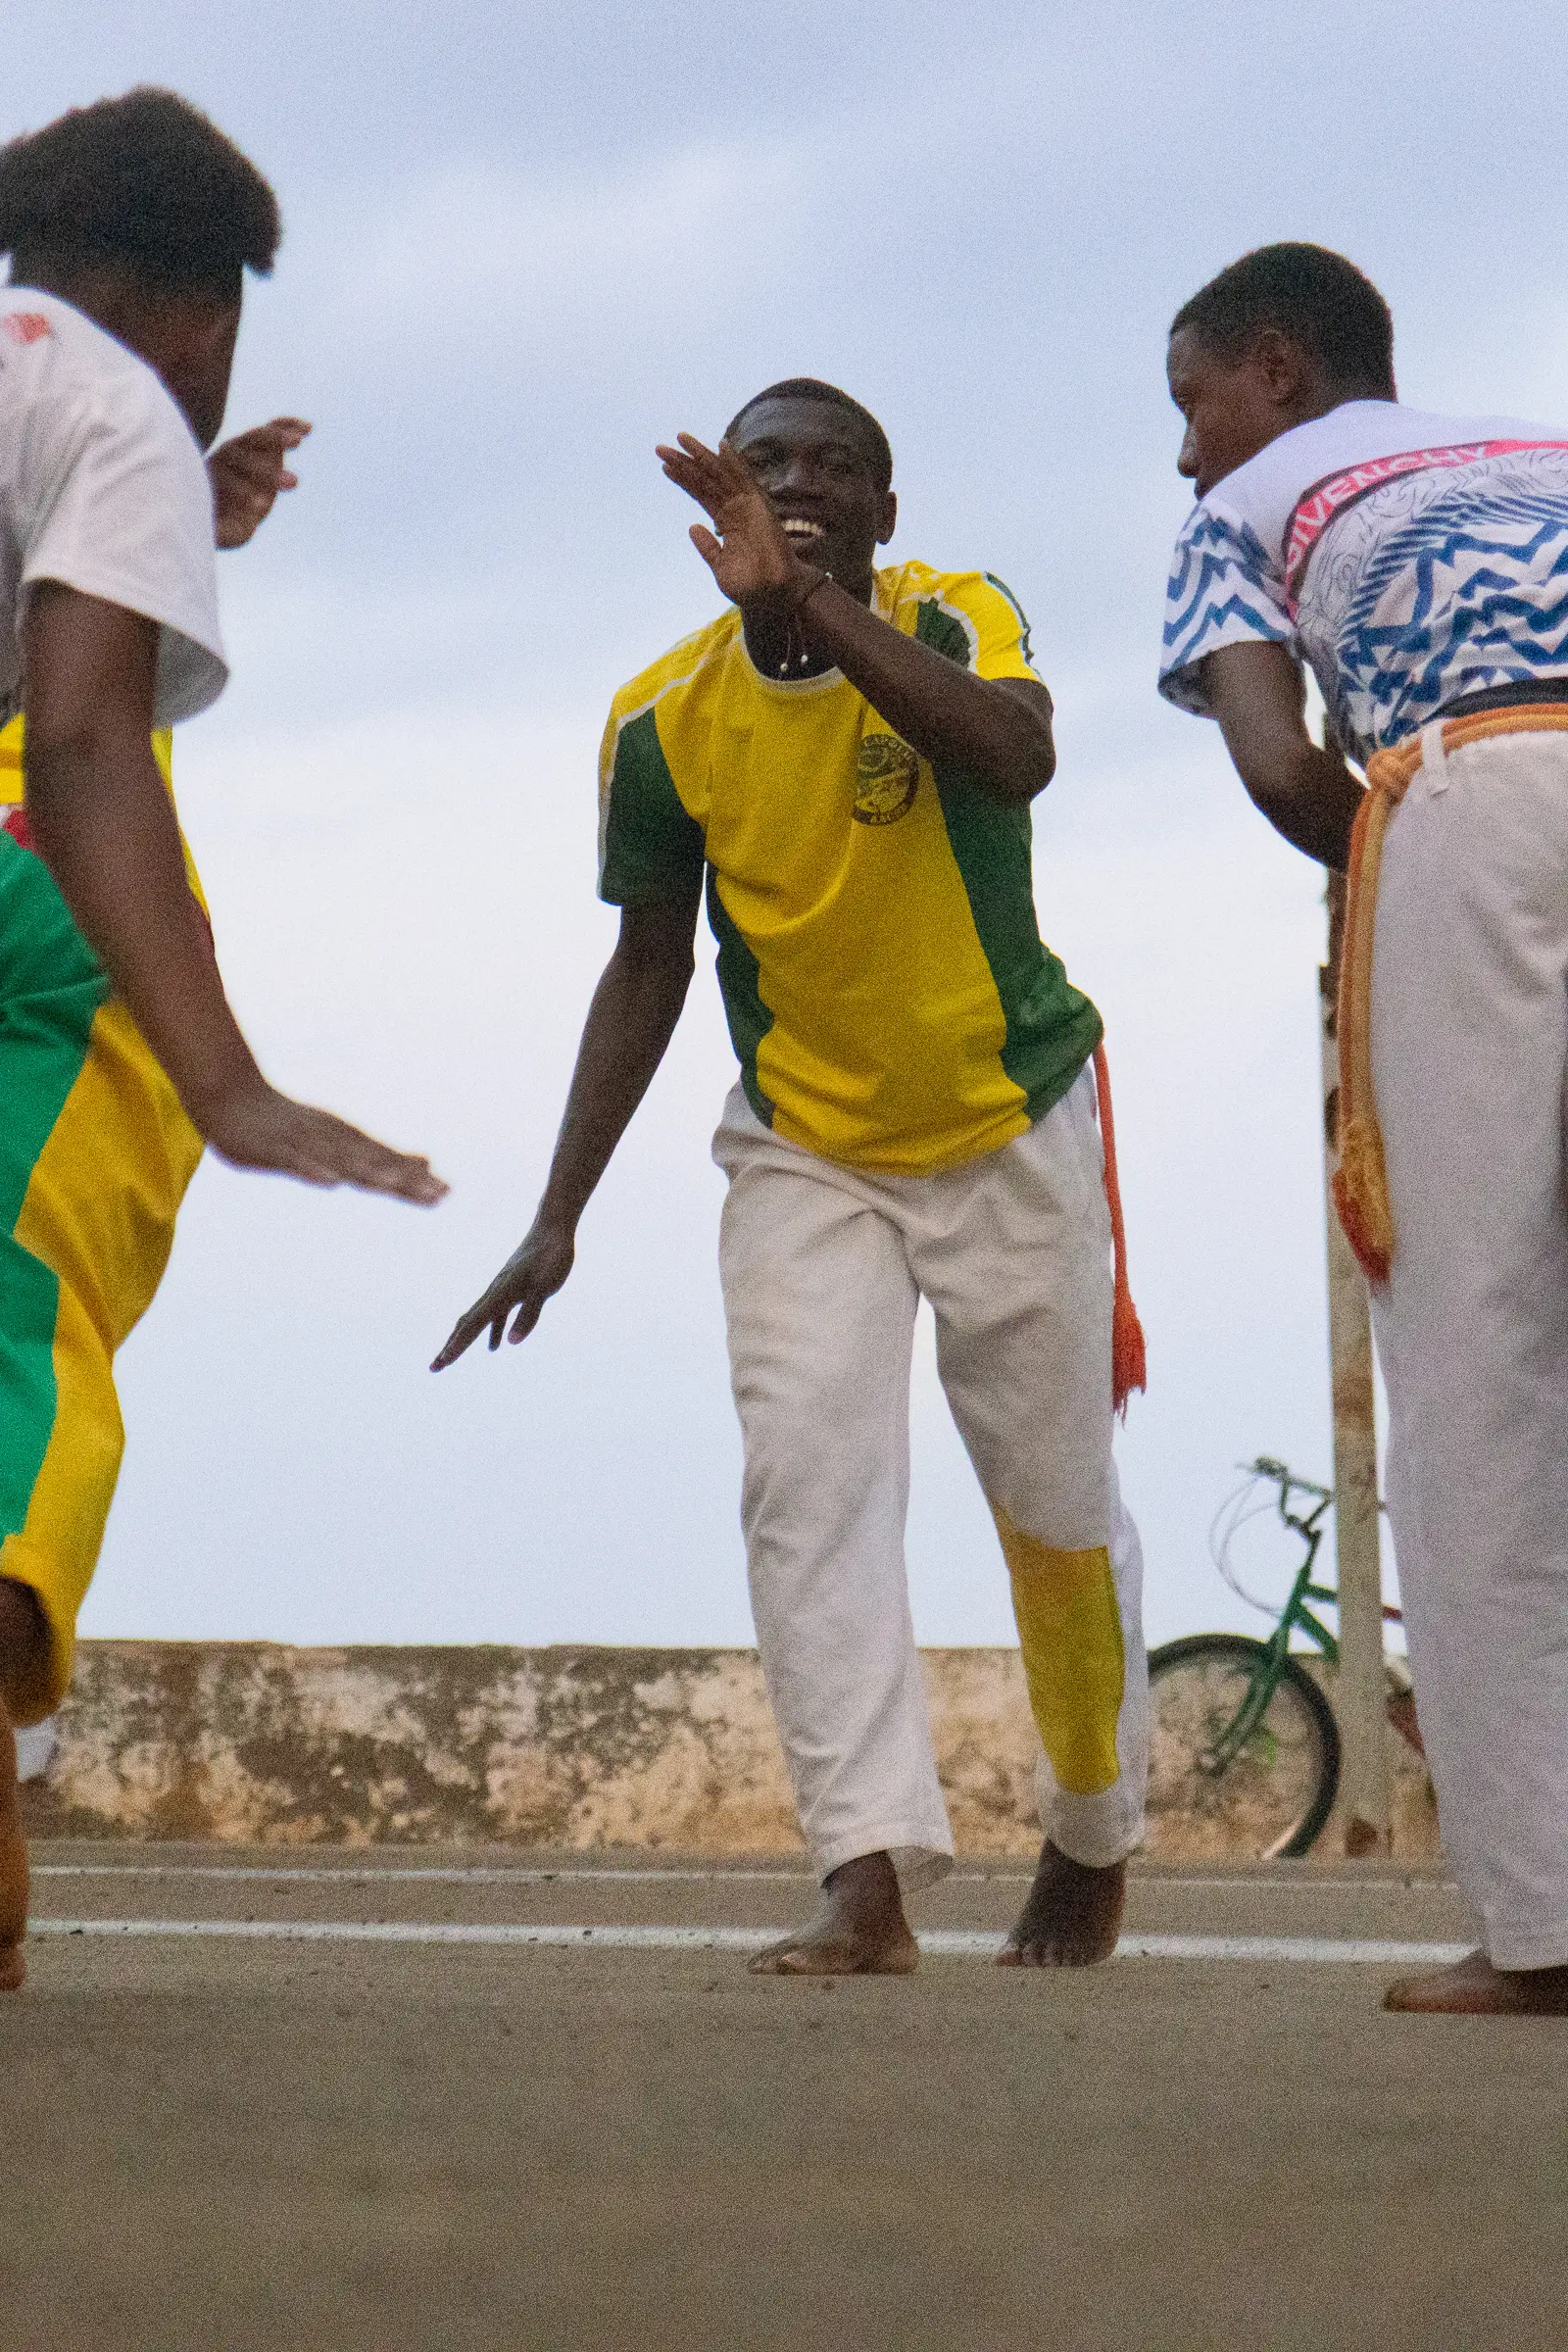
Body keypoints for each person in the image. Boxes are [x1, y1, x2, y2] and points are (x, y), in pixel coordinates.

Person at [437, 378, 1149, 1975]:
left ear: (888, 514)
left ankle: (1093, 1828)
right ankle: (868, 1874)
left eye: (837, 468)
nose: (800, 483)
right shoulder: (661, 718)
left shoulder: (954, 618)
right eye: (768, 465)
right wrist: (558, 1212)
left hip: (1008, 1119)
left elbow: (1016, 758)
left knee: (1056, 1510)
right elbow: (647, 967)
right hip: (806, 1147)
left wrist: (812, 605)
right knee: (808, 1487)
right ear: (714, 508)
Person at [0, 88, 447, 1993]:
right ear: (187, 301)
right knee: (28, 1303)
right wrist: (228, 1076)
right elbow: (87, 741)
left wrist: (188, 510)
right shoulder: (105, 403)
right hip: (35, 898)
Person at [1158, 240, 1568, 2015]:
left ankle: (1547, 1924)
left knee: (1481, 1365)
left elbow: (1271, 763)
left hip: (1466, 807)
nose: (1186, 451)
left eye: (1192, 404)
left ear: (1275, 365)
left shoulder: (1250, 502)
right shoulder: (1545, 446)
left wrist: (1391, 884)